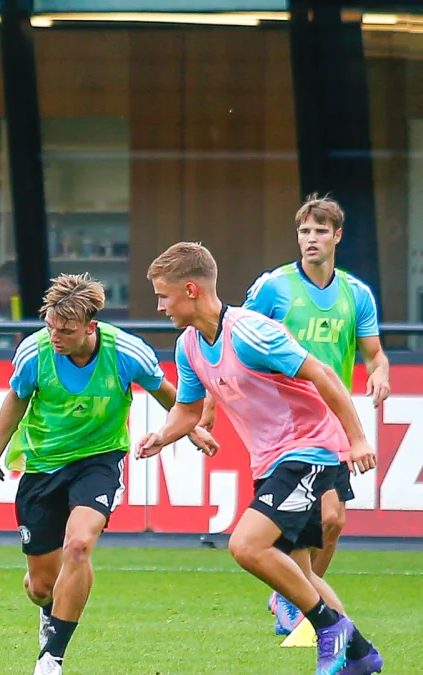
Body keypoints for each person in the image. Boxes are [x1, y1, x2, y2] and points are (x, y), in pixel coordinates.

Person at [139, 242, 383, 675]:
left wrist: (358, 439)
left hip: (309, 450)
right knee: (301, 573)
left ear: (191, 289)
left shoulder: (252, 332)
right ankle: (361, 655)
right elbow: (189, 409)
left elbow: (323, 375)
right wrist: (163, 436)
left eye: (164, 295)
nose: (159, 305)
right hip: (270, 462)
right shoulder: (189, 345)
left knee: (247, 545)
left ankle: (331, 631)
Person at [0, 273, 217, 675]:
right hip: (42, 465)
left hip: (100, 459)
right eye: (50, 327)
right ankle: (51, 610)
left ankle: (51, 658)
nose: (55, 336)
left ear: (90, 327)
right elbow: (16, 400)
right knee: (41, 587)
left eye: (65, 330)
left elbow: (163, 388)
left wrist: (191, 429)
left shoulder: (127, 352)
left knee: (79, 545)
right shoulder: (34, 353)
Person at [235, 194, 391, 635]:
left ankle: (290, 592)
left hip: (332, 421)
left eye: (320, 231)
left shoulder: (356, 294)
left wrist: (380, 374)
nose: (311, 239)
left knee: (333, 522)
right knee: (316, 520)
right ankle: (301, 600)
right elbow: (235, 341)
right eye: (305, 231)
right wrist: (211, 406)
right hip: (287, 424)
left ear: (337, 236)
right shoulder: (273, 287)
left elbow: (375, 354)